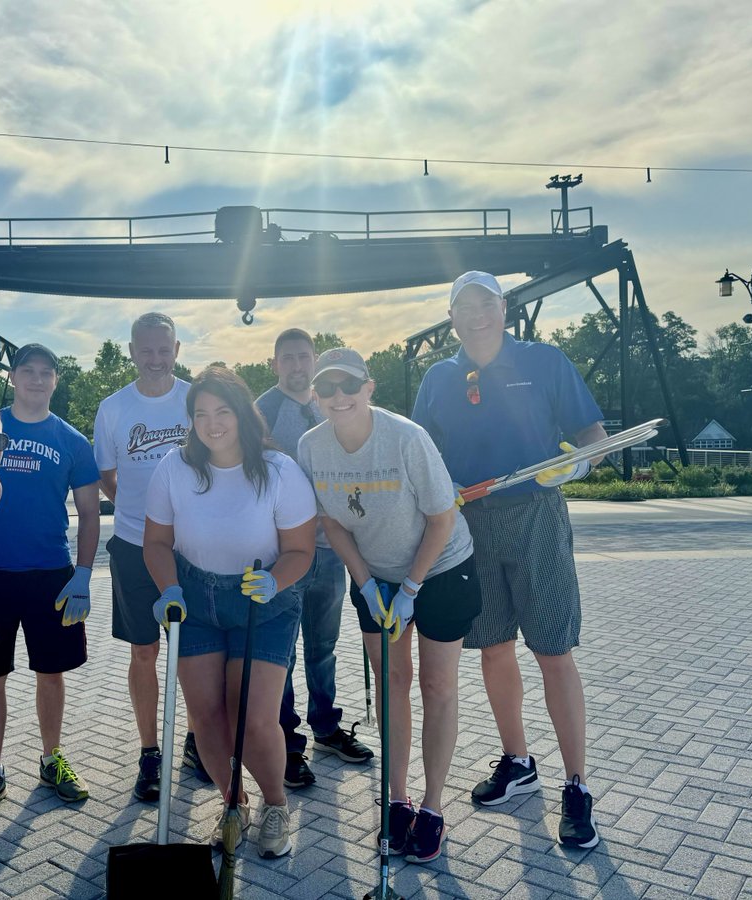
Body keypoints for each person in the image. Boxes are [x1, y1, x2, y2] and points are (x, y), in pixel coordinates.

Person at [412, 271, 606, 849]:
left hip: (538, 514)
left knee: (553, 650)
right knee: (493, 646)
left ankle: (576, 784)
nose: (477, 315)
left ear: (504, 309)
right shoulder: (438, 377)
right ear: (452, 317)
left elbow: (594, 438)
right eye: (465, 306)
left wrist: (574, 466)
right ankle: (518, 762)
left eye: (487, 304)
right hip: (470, 524)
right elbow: (423, 455)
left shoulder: (545, 361)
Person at [298, 348, 481, 863]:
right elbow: (331, 522)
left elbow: (442, 518)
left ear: (369, 386)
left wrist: (410, 590)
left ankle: (432, 806)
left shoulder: (406, 437)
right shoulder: (312, 447)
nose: (339, 397)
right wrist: (368, 583)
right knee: (391, 685)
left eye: (348, 385)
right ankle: (396, 799)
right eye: (327, 388)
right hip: (375, 574)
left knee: (436, 684)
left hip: (440, 568)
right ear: (316, 395)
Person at [143, 366, 316, 858]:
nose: (212, 423)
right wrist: (169, 588)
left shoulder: (279, 470)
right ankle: (232, 804)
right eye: (201, 414)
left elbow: (302, 552)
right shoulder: (175, 467)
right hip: (195, 600)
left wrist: (275, 580)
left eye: (222, 411)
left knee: (255, 717)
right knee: (206, 717)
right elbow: (156, 542)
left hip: (264, 603)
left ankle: (276, 806)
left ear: (241, 413)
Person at [0, 344, 101, 817]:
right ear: (13, 376)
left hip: (50, 576)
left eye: (47, 372)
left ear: (56, 380)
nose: (37, 380)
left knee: (51, 672)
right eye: (29, 372)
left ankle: (51, 758)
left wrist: (83, 575)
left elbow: (88, 512)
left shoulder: (72, 440)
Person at [255, 329, 373, 788]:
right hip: (283, 553)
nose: (297, 366)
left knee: (322, 646)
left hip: (331, 550)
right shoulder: (262, 412)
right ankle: (286, 741)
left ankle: (325, 725)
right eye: (288, 358)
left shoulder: (335, 403)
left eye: (304, 357)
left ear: (315, 360)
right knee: (280, 652)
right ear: (275, 364)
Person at [94, 312, 203, 801]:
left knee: (198, 653)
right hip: (134, 546)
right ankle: (149, 752)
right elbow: (108, 479)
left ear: (177, 350)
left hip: (196, 548)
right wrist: (144, 517)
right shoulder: (113, 408)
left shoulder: (196, 400)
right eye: (147, 350)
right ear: (132, 351)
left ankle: (199, 741)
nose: (156, 358)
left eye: (165, 349)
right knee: (145, 652)